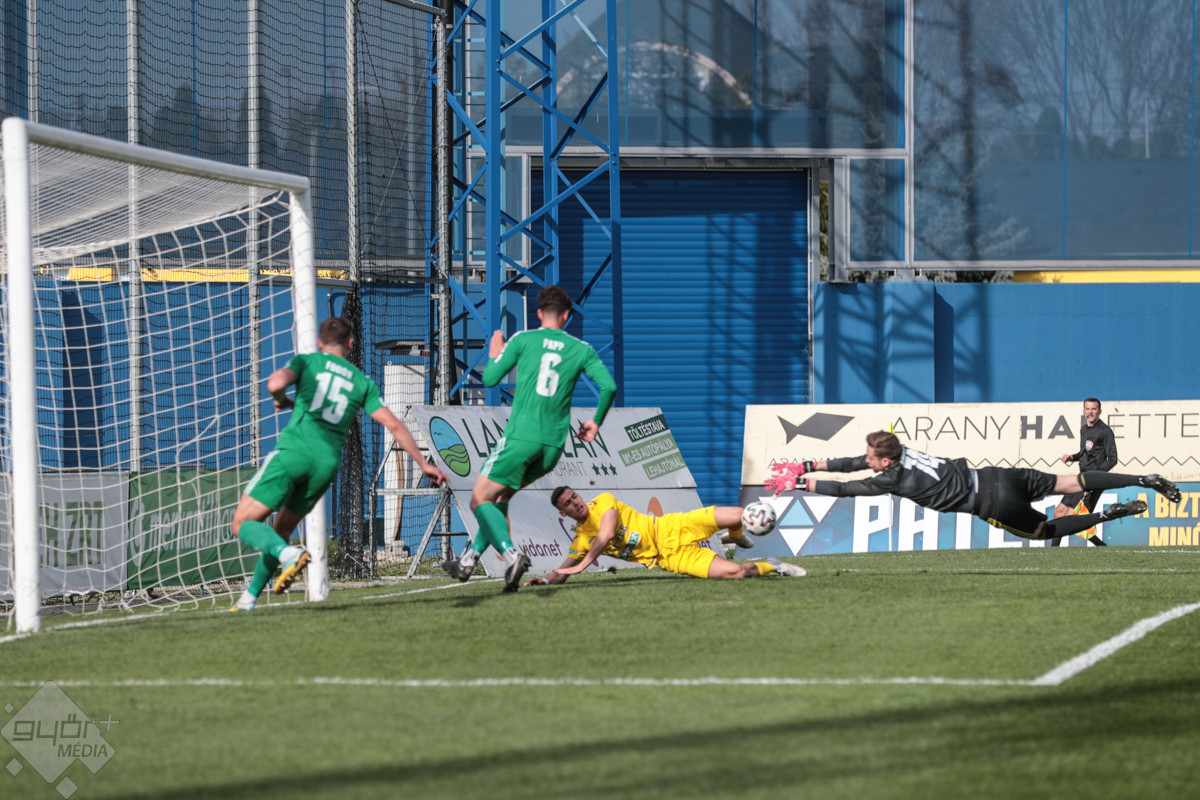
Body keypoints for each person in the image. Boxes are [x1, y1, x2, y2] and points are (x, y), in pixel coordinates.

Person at [228, 317, 448, 611]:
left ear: (320, 343)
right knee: (279, 533)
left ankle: (289, 556)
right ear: (351, 343)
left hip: (294, 453)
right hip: (325, 466)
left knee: (242, 523)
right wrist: (423, 463)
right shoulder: (361, 382)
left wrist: (281, 399)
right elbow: (394, 424)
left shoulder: (307, 362)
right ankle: (248, 600)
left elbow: (275, 383)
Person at [441, 285, 619, 592]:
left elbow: (490, 379)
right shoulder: (581, 349)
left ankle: (512, 556)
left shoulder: (523, 339)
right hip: (552, 447)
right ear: (566, 315)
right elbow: (609, 387)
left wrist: (495, 354)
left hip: (521, 438)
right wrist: (595, 421)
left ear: (539, 313)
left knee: (480, 498)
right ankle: (468, 561)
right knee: (500, 498)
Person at [765, 430, 1180, 543]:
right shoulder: (899, 452)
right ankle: (1143, 480)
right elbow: (855, 464)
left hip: (991, 501)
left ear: (885, 461)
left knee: (1043, 531)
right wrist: (806, 465)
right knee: (1070, 480)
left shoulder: (892, 478)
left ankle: (1106, 513)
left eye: (872, 457)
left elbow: (847, 489)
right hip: (997, 475)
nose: (867, 459)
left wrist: (801, 481)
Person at [524, 486, 806, 585]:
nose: (575, 503)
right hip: (669, 557)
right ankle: (774, 565)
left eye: (574, 496)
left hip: (670, 527)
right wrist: (546, 581)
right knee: (737, 573)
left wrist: (584, 564)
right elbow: (563, 570)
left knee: (738, 514)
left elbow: (607, 534)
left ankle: (735, 536)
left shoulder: (604, 501)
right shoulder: (581, 540)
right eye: (568, 504)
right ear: (563, 513)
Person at [1048, 397, 1117, 547]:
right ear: (1084, 410)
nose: (1090, 412)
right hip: (1080, 478)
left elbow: (1112, 459)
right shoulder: (1084, 429)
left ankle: (1102, 547)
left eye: (1094, 409)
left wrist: (1095, 479)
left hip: (1092, 481)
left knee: (1073, 519)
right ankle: (1052, 551)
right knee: (1059, 512)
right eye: (1087, 409)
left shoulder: (1105, 431)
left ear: (1099, 411)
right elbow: (1085, 452)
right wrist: (1072, 457)